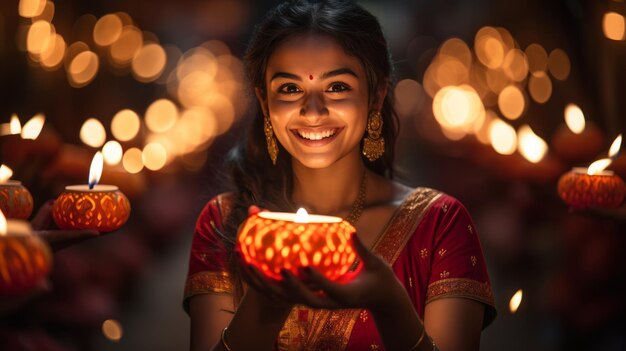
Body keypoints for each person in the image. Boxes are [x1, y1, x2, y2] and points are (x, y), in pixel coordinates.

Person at [184, 1, 496, 350]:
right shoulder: (225, 222)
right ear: (264, 100)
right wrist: (263, 303)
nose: (313, 111)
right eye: (289, 89)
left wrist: (390, 303)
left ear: (376, 95)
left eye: (337, 87)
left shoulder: (440, 224)